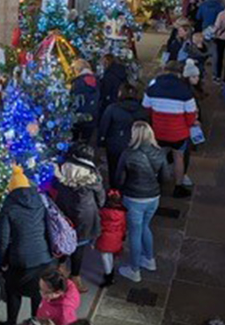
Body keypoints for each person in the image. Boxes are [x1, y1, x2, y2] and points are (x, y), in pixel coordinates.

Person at [0, 165, 55, 325]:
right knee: (38, 292)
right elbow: (48, 229)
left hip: (21, 259)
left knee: (13, 290)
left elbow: (3, 239)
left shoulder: (9, 206)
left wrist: (2, 262)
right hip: (44, 257)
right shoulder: (39, 200)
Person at [113, 122, 166, 283]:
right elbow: (166, 176)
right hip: (154, 197)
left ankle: (134, 270)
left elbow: (119, 178)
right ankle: (149, 260)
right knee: (145, 227)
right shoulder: (160, 152)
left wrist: (119, 191)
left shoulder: (128, 154)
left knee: (134, 233)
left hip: (134, 198)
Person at [52, 145, 105, 293]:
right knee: (79, 245)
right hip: (84, 215)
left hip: (64, 209)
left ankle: (61, 266)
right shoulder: (92, 175)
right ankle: (75, 277)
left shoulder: (63, 168)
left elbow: (55, 185)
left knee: (64, 237)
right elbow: (100, 197)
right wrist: (100, 206)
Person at [142, 63, 197, 198]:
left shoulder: (152, 89)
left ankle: (155, 183)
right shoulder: (185, 91)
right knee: (179, 158)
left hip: (158, 132)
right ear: (179, 74)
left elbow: (146, 109)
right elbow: (191, 115)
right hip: (178, 133)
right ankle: (178, 187)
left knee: (156, 157)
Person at [96, 192, 126, 287]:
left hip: (105, 238)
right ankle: (111, 272)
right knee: (111, 255)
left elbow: (98, 224)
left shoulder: (103, 212)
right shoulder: (122, 213)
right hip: (116, 237)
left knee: (105, 257)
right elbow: (124, 226)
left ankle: (108, 276)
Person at [70, 60, 100, 142]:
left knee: (74, 140)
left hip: (78, 115)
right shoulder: (96, 81)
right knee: (86, 140)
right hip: (92, 114)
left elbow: (73, 99)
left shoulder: (78, 82)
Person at [98, 54, 129, 119]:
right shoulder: (121, 70)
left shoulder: (108, 75)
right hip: (122, 98)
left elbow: (105, 91)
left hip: (112, 100)